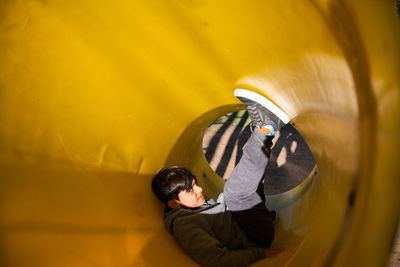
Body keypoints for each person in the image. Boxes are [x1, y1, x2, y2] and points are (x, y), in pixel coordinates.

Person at [152, 89, 288, 267]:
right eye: (190, 190)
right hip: (254, 236)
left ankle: (262, 130)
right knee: (235, 191)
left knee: (244, 177)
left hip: (244, 220)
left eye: (195, 185)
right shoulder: (186, 226)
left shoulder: (190, 206)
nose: (200, 190)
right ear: (174, 203)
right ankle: (266, 128)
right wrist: (259, 253)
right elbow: (219, 261)